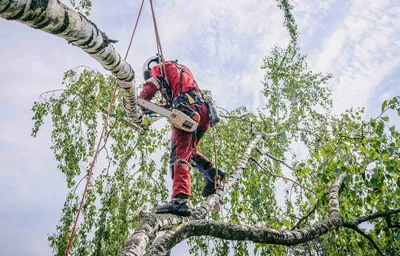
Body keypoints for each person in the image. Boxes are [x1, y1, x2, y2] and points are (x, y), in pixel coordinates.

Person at [139, 56, 225, 216]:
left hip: (187, 110)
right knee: (189, 152)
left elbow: (152, 84)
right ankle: (213, 174)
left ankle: (181, 200)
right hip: (202, 112)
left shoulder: (160, 67)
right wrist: (153, 108)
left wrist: (142, 99)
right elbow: (176, 98)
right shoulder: (182, 70)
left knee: (178, 154)